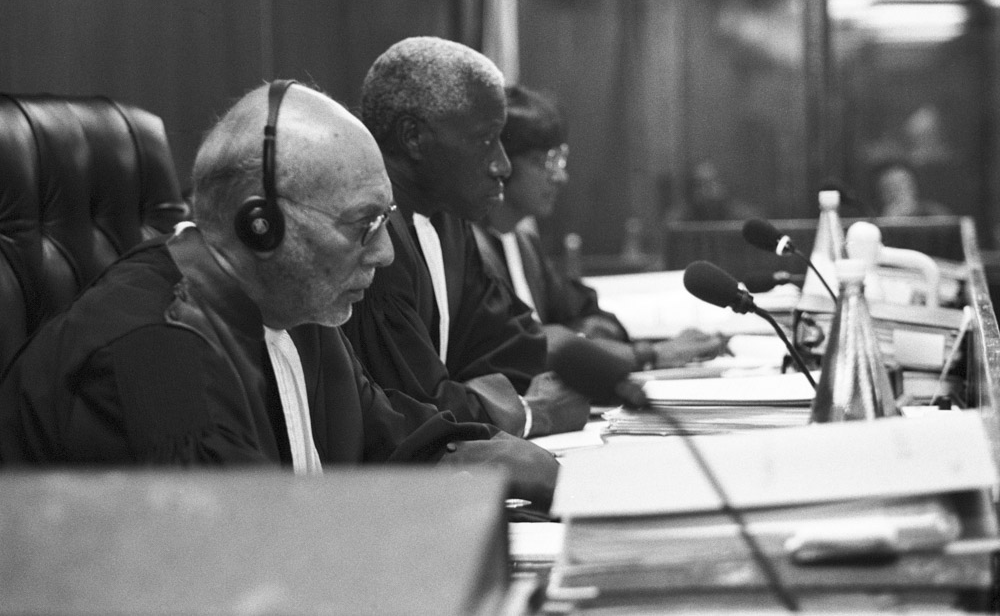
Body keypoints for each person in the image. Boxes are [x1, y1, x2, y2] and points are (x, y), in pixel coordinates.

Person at [0, 81, 557, 507]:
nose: (386, 252)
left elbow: (394, 442)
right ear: (260, 225)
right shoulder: (158, 353)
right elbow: (239, 559)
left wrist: (534, 469)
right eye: (364, 225)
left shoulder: (295, 308)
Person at [341, 37, 591, 440]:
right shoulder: (374, 242)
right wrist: (532, 414)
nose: (502, 165)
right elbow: (413, 407)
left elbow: (503, 344)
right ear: (413, 137)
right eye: (485, 140)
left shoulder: (448, 219)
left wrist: (601, 368)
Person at [474, 84, 726, 371]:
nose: (560, 177)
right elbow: (522, 346)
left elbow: (588, 312)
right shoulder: (471, 250)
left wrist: (578, 338)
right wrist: (647, 354)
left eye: (559, 159)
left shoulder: (523, 243)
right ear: (500, 161)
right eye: (543, 162)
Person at [873, 159, 951, 218]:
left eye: (900, 185)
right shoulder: (874, 220)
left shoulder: (935, 213)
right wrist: (888, 221)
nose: (895, 192)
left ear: (913, 187)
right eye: (888, 187)